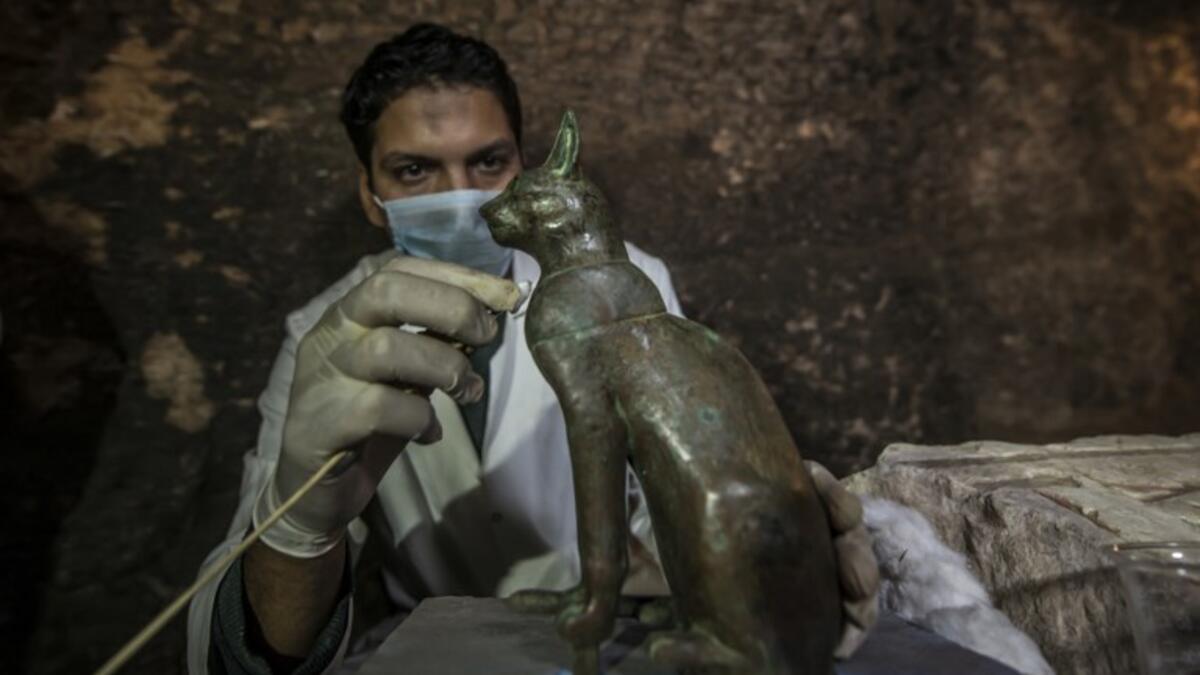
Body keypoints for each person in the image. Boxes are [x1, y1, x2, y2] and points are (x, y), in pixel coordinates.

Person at [186, 23, 878, 674]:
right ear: (370, 194)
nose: (464, 200)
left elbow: (666, 480)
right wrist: (301, 524)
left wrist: (776, 539)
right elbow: (230, 654)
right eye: (414, 171)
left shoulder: (629, 288)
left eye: (489, 161)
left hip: (593, 636)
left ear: (525, 161)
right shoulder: (322, 335)